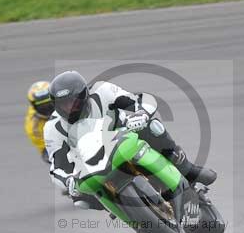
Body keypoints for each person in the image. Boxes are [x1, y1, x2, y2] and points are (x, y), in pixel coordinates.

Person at [44, 71, 216, 208]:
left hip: (123, 135)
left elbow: (140, 100)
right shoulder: (53, 128)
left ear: (84, 95)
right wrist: (68, 181)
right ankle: (128, 214)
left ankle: (187, 168)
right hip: (92, 163)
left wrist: (141, 113)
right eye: (63, 104)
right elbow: (56, 166)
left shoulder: (102, 91)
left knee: (152, 126)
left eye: (72, 102)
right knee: (80, 200)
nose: (68, 108)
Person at [25, 81, 55, 163]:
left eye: (49, 104)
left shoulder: (65, 102)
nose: (47, 109)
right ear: (34, 106)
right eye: (42, 106)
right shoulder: (33, 128)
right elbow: (47, 150)